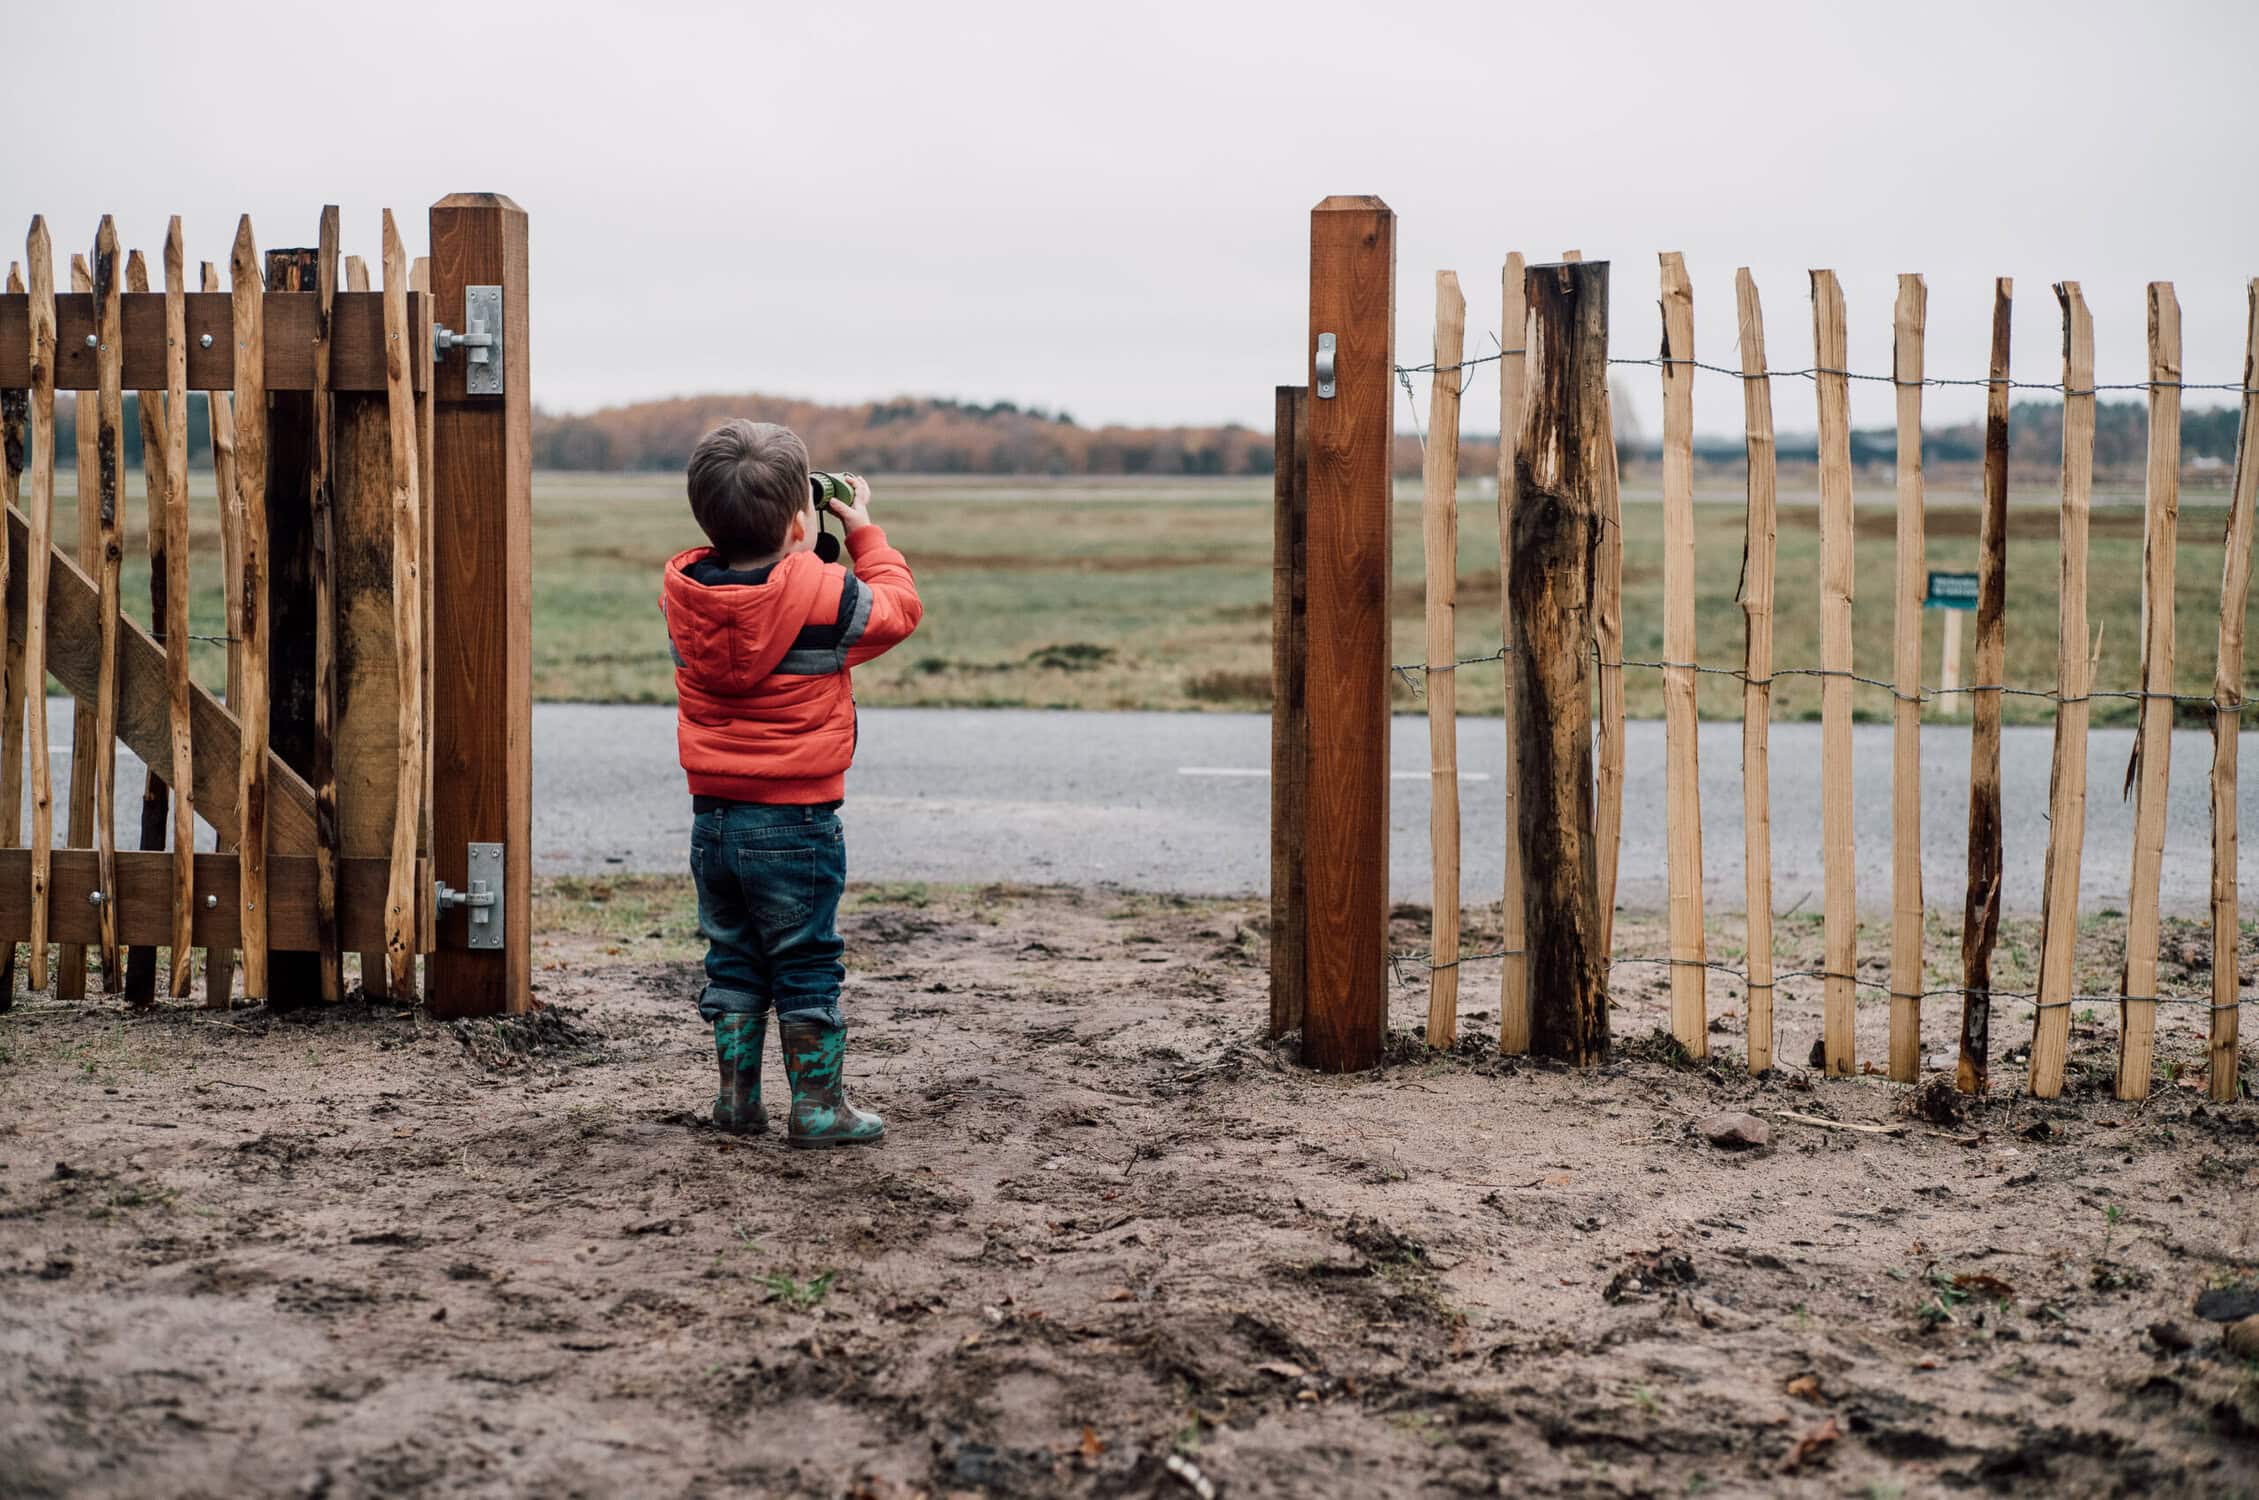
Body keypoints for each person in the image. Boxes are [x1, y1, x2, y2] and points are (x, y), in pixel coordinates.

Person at [660, 420, 923, 1147]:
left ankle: (737, 1101)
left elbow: (747, 605)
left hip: (712, 819)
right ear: (801, 517)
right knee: (805, 959)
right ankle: (816, 1106)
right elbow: (899, 611)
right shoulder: (830, 597)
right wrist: (863, 534)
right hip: (797, 819)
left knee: (733, 955)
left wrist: (795, 546)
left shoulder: (683, 599)